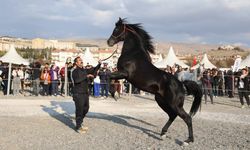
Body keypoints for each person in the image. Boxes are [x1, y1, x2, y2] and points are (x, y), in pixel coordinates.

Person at [72, 56, 101, 133]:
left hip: (85, 93)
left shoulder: (84, 70)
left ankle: (80, 122)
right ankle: (78, 127)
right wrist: (86, 76)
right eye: (79, 60)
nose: (81, 61)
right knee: (79, 110)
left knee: (86, 108)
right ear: (76, 63)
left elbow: (94, 69)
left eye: (81, 60)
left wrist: (99, 64)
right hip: (78, 93)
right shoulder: (75, 71)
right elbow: (77, 80)